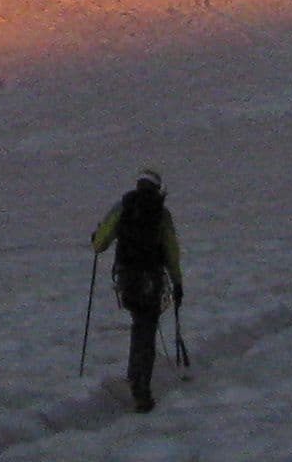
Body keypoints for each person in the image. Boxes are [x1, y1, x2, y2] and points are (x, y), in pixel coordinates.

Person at [91, 170, 184, 412]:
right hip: (152, 278)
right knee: (147, 328)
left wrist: (97, 237)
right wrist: (177, 282)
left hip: (128, 279)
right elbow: (172, 251)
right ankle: (140, 386)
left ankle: (134, 379)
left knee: (138, 324)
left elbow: (100, 243)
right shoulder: (161, 214)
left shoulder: (123, 207)